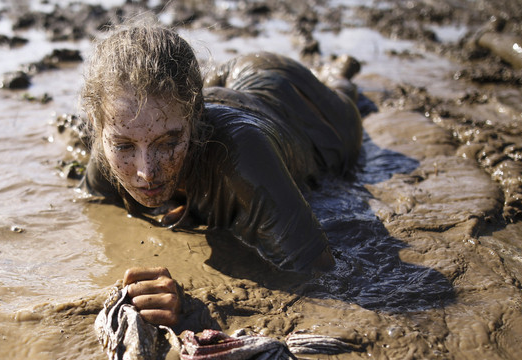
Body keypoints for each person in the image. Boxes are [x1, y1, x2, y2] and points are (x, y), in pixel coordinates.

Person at [78, 22, 363, 328]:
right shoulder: (114, 134)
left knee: (345, 96)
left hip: (297, 100)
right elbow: (95, 209)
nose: (146, 171)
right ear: (98, 126)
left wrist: (191, 306)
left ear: (196, 116)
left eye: (169, 142)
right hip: (219, 86)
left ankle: (338, 74)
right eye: (124, 146)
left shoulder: (241, 157)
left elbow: (321, 276)